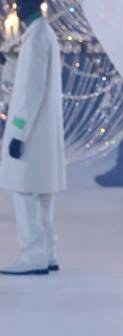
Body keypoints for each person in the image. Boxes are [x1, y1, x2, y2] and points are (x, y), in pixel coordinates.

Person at [0, 0, 66, 275]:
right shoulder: (43, 34)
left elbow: (30, 90)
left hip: (31, 133)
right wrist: (11, 61)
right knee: (41, 195)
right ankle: (48, 253)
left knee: (25, 193)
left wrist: (17, 132)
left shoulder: (37, 37)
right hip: (43, 134)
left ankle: (34, 256)